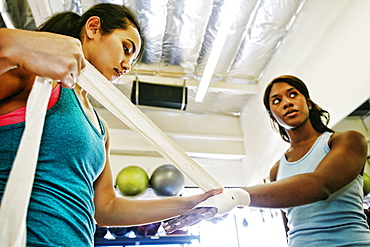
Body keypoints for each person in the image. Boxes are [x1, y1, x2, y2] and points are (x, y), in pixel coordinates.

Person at [0, 3, 221, 246]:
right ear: (93, 28)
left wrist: (191, 203)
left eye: (132, 60)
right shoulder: (38, 79)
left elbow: (106, 209)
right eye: (126, 49)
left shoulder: (100, 128)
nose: (127, 66)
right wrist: (18, 42)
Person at [164, 75, 370, 246]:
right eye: (277, 101)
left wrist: (235, 197)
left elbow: (319, 185)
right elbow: (288, 227)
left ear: (307, 102)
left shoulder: (347, 140)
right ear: (273, 116)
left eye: (293, 95)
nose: (287, 103)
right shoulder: (277, 170)